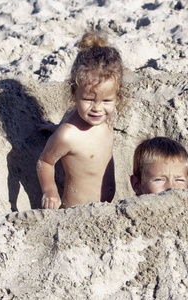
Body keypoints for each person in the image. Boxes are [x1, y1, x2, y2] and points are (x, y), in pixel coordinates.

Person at [37, 31, 127, 209]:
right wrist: (50, 191)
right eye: (88, 100)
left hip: (107, 208)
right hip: (76, 213)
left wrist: (56, 127)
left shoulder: (104, 118)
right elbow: (45, 162)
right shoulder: (68, 135)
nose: (97, 108)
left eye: (107, 100)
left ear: (118, 96)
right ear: (74, 94)